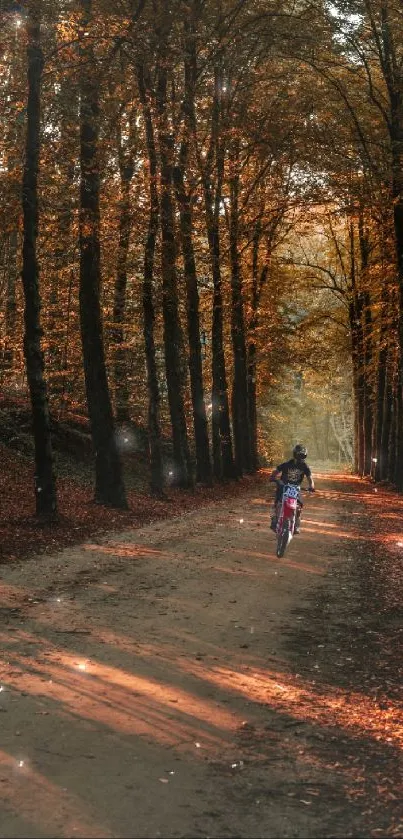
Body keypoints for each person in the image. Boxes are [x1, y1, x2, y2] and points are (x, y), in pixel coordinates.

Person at [269, 444, 315, 534]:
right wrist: (273, 477)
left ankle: (296, 525)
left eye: (303, 456)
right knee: (278, 503)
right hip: (283, 486)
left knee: (299, 506)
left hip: (295, 488)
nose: (301, 457)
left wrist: (311, 486)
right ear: (295, 454)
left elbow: (310, 478)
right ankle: (274, 519)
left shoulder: (305, 466)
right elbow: (276, 471)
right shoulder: (286, 464)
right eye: (299, 455)